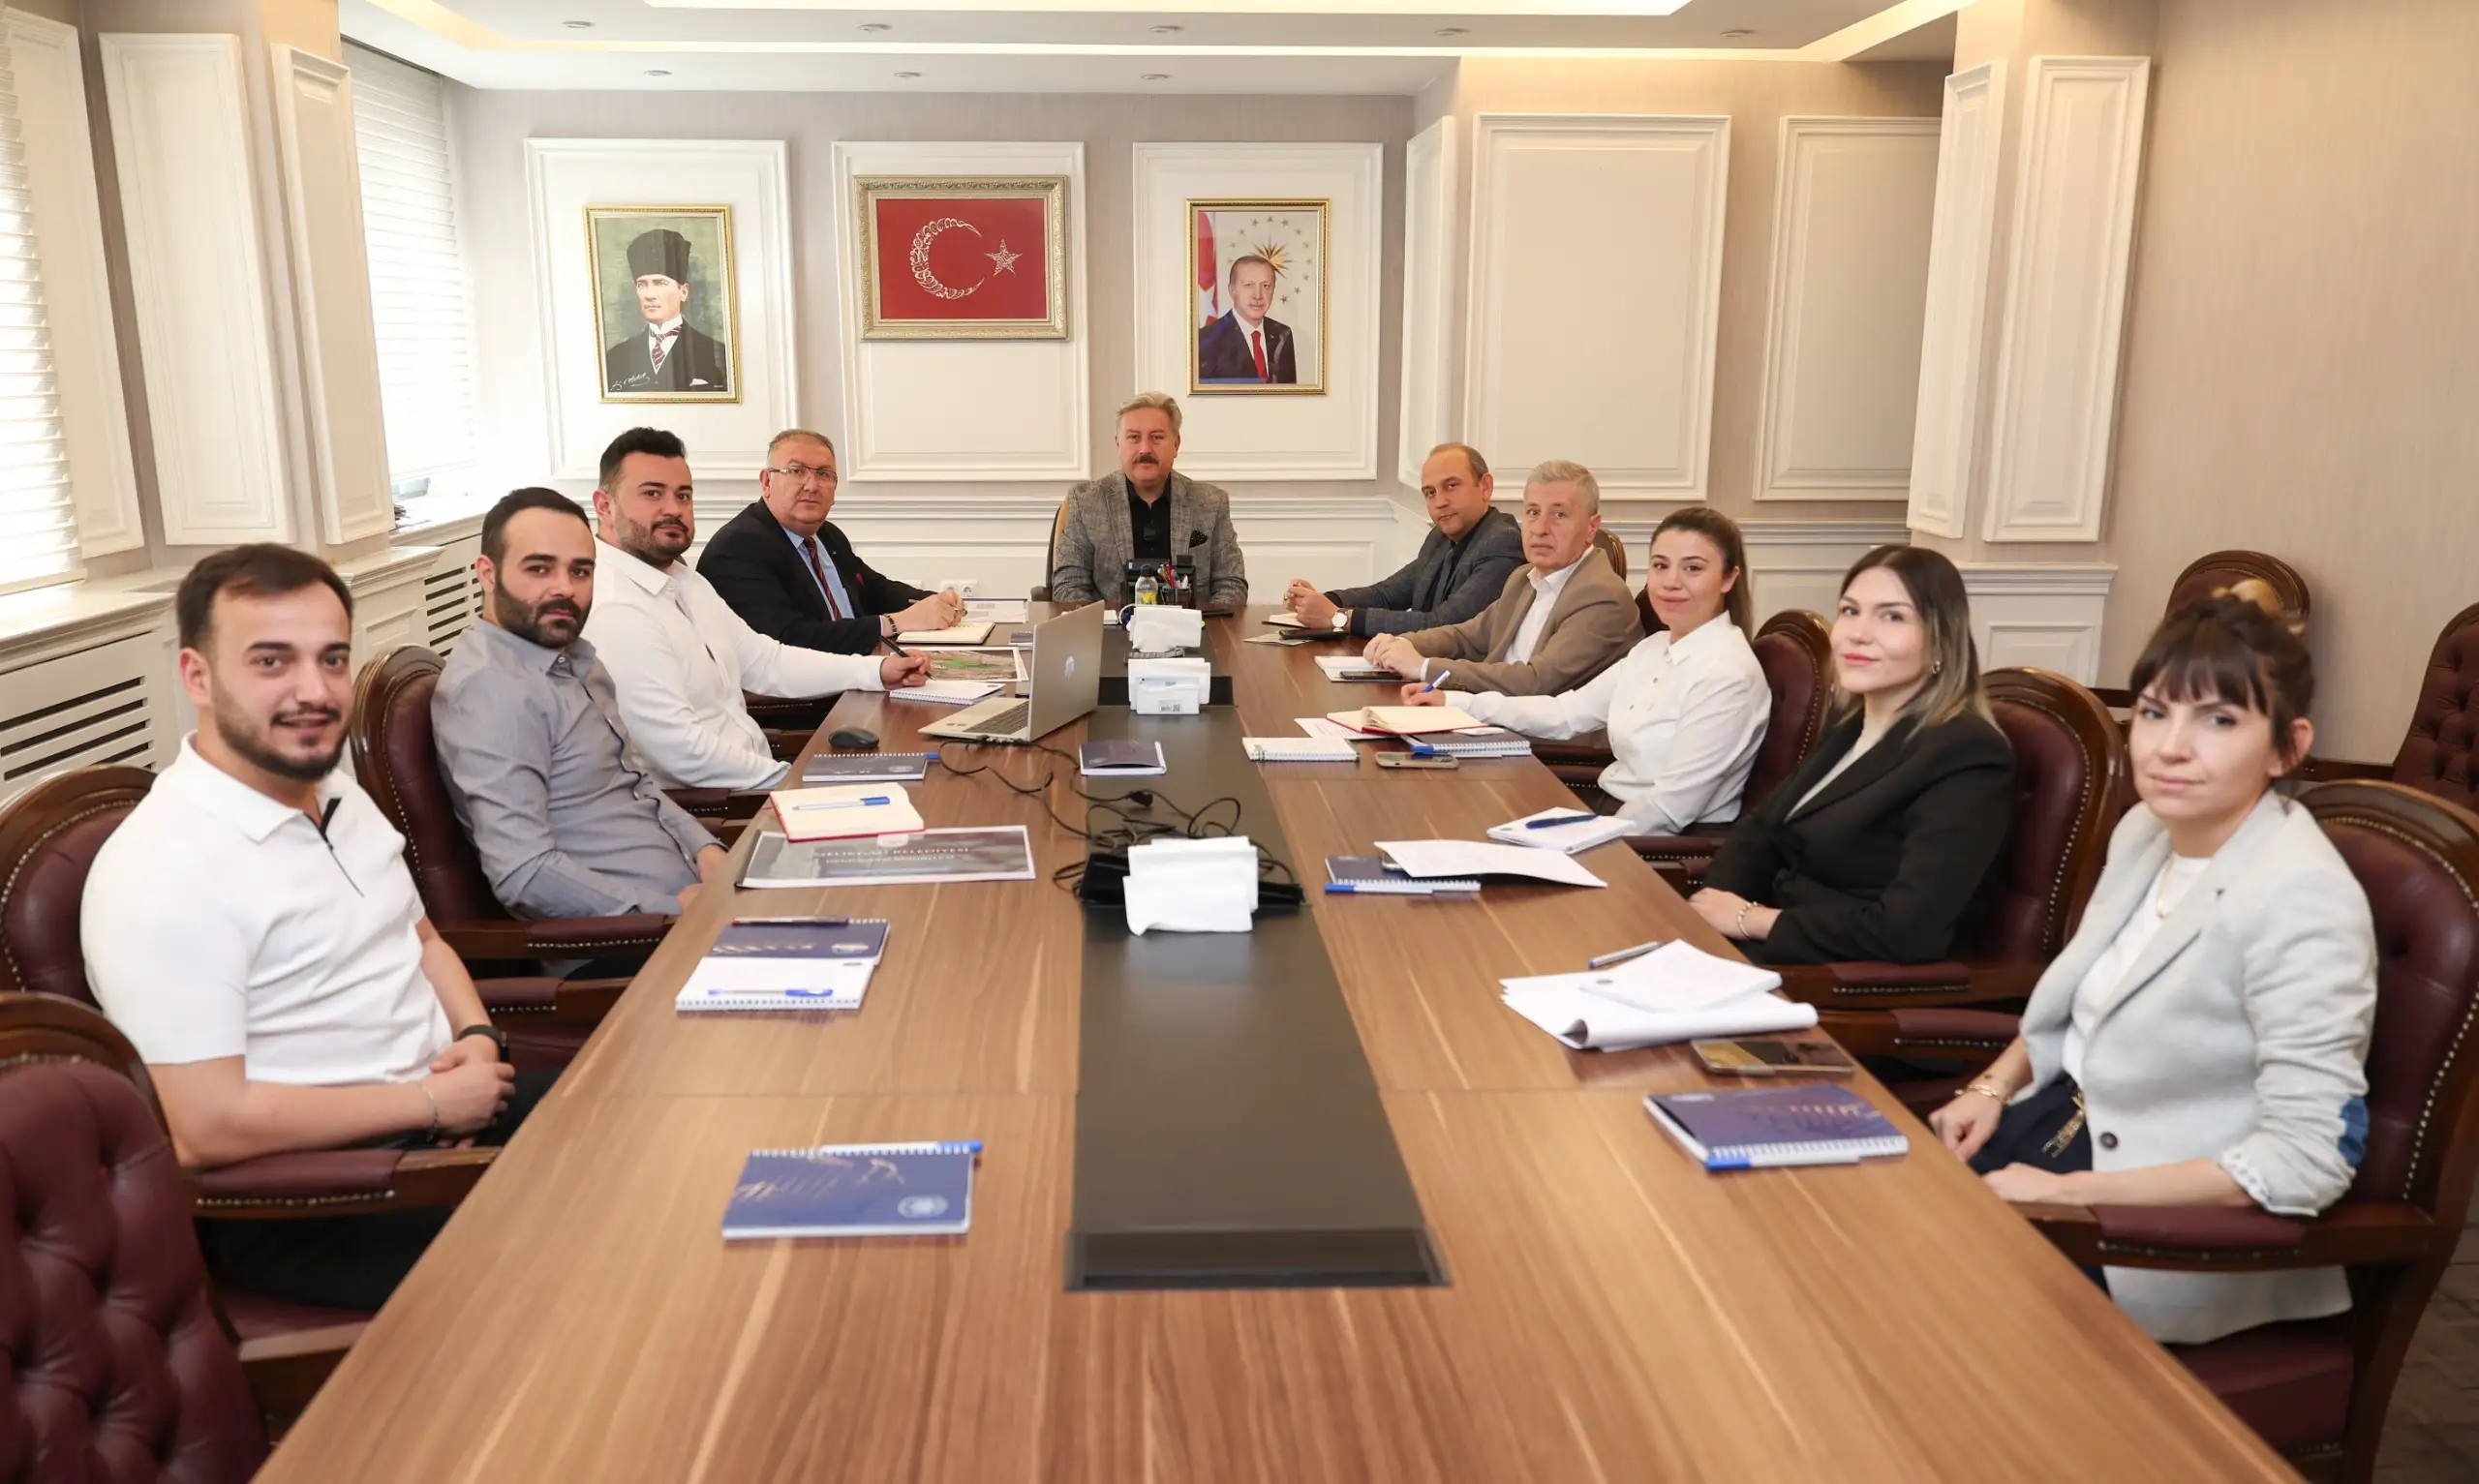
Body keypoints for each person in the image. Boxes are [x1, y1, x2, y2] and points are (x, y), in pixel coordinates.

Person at [81, 545, 536, 1311]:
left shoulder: (333, 791)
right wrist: (429, 1104)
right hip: (324, 1194)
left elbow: (422, 941)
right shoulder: (161, 866)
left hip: (446, 1114)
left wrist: (477, 1038)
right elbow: (204, 1125)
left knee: (666, 1141)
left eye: (331, 659)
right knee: (620, 1239)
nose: (314, 690)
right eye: (272, 661)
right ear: (197, 676)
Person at [1928, 594, 2374, 1346]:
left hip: (2154, 1228)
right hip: (2053, 1121)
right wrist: (1992, 1085)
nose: (2170, 747)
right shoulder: (2147, 829)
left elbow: (2307, 1159)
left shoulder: (2302, 895)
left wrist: (2074, 1192)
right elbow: (2082, 998)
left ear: (2287, 747)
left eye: (2219, 720)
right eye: (2156, 712)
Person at [1690, 545, 2014, 965]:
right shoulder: (1854, 721)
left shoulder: (1969, 755)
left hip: (1837, 976)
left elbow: (1908, 931)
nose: (1858, 633)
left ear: (1941, 643)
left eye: (1892, 616)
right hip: (1755, 947)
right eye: (1850, 611)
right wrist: (1705, 910)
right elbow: (1763, 830)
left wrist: (1750, 919)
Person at [432, 488, 728, 920]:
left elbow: (636, 785)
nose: (564, 589)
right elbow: (525, 873)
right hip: (638, 942)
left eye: (580, 571)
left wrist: (704, 848)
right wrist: (668, 910)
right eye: (539, 569)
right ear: (487, 574)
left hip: (695, 904)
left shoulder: (576, 659)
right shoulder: (492, 690)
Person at [581, 427, 927, 790]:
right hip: (720, 808)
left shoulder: (685, 581)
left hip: (761, 779)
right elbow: (683, 753)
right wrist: (794, 783)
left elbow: (765, 661)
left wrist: (878, 671)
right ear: (605, 505)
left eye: (683, 495)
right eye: (652, 494)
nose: (673, 509)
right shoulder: (614, 606)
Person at [1402, 506, 1768, 831]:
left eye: (1693, 568)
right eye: (1660, 566)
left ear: (1729, 578)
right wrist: (1456, 703)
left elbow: (1670, 808)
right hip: (1607, 812)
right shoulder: (1655, 647)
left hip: (1656, 847)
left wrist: (1582, 837)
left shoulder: (1727, 675)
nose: (1671, 582)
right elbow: (1567, 712)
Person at [1358, 459, 1637, 697]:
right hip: (1490, 715)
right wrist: (1404, 644)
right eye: (1533, 512)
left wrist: (1423, 668)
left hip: (1537, 740)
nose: (1540, 528)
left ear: (1591, 528)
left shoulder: (1602, 597)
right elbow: (1467, 636)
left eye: (1559, 514)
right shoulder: (1524, 578)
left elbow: (1535, 683)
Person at [698, 429, 964, 654]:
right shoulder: (738, 547)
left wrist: (934, 602)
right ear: (767, 482)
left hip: (859, 670)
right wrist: (895, 623)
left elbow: (873, 589)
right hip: (806, 694)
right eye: (796, 471)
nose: (812, 485)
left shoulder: (826, 534)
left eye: (824, 474)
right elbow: (787, 641)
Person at [1282, 442, 1523, 639]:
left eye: (1451, 486)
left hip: (1458, 677)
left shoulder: (1503, 541)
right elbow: (1386, 595)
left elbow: (1444, 625)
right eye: (1430, 493)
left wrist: (1338, 618)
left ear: (1485, 487)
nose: (1440, 502)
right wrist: (1321, 602)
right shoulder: (1440, 537)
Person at [1047, 392, 1248, 608]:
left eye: (1157, 437)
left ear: (1176, 444)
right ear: (1118, 444)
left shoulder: (1211, 503)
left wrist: (1204, 622)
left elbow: (1231, 585)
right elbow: (1069, 586)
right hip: (1112, 627)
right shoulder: (1085, 501)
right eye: (1134, 437)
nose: (1145, 449)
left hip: (1192, 627)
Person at [603, 227, 730, 395]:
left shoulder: (716, 354)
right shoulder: (616, 357)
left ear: (683, 292)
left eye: (660, 283)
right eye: (642, 285)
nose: (649, 295)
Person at [1197, 255, 1296, 385]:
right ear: (1232, 290)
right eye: (1249, 285)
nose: (1258, 295)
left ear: (1273, 290)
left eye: (1266, 286)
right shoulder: (1205, 340)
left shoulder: (1283, 334)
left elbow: (1289, 393)